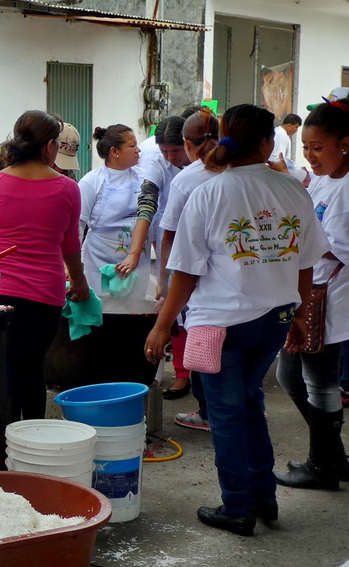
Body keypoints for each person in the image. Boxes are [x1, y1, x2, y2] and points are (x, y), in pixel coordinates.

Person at [144, 104, 328, 536]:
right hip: (275, 319)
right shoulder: (293, 190)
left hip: (221, 324)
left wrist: (161, 324)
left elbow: (186, 271)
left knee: (228, 414)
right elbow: (305, 264)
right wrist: (300, 314)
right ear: (267, 143)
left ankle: (238, 507)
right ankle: (264, 497)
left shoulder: (209, 192)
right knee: (249, 404)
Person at [0, 110, 88, 466]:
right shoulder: (67, 189)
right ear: (51, 146)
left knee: (4, 371)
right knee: (33, 367)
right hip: (44, 296)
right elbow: (70, 247)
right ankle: (32, 453)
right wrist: (79, 282)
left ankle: (7, 455)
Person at [273, 100, 349, 489]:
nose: (310, 155)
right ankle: (334, 458)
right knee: (296, 377)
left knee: (314, 381)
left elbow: (328, 242)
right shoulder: (325, 180)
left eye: (318, 148)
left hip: (328, 298)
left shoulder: (347, 190)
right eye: (305, 147)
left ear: (345, 144)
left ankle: (322, 466)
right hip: (311, 293)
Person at [73, 124, 158, 387]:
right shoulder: (91, 181)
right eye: (132, 145)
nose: (138, 149)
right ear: (114, 152)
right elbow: (77, 227)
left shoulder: (146, 178)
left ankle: (130, 383)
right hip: (98, 261)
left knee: (133, 324)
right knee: (103, 325)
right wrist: (71, 267)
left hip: (137, 263)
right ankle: (101, 384)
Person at [116, 115, 191, 398]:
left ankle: (189, 373)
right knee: (171, 307)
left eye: (176, 151)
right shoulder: (156, 162)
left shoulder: (203, 166)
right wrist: (136, 253)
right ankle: (179, 374)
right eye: (165, 151)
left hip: (197, 243)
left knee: (189, 312)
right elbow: (148, 203)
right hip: (166, 241)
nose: (171, 157)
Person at [157, 109, 221, 431]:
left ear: (187, 143)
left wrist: (164, 284)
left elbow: (169, 237)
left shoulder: (187, 180)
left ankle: (211, 415)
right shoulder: (246, 173)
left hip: (200, 287)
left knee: (205, 355)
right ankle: (241, 412)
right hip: (240, 284)